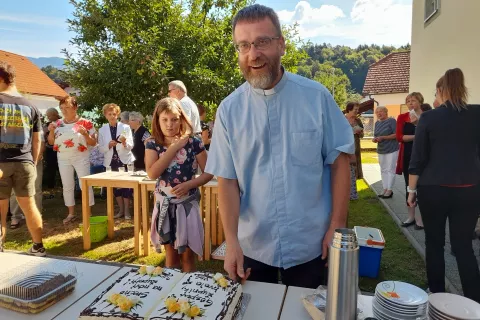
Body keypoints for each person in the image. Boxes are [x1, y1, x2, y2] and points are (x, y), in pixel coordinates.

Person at [205, 4, 354, 288]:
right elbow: (227, 181)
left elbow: (340, 162)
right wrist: (232, 242)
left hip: (310, 242)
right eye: (244, 45)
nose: (253, 54)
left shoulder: (316, 97)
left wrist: (337, 224)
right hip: (253, 244)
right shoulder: (229, 110)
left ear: (282, 45)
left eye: (262, 42)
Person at [408, 68, 480, 303]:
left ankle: (437, 294)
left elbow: (418, 159)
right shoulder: (477, 114)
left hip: (433, 189)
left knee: (434, 243)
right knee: (463, 246)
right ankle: (474, 300)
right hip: (469, 189)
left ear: (440, 91)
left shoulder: (429, 117)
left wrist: (410, 191)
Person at [145, 97, 213, 272]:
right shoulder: (152, 143)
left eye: (174, 119)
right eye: (165, 120)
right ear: (157, 121)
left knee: (187, 255)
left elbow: (209, 172)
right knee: (170, 254)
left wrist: (190, 184)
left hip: (187, 206)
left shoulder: (193, 143)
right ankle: (171, 294)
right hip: (165, 207)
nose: (170, 124)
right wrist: (173, 148)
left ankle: (187, 291)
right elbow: (152, 173)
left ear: (182, 119)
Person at [0, 61, 45, 256]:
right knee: (30, 206)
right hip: (25, 162)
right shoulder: (31, 106)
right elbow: (37, 140)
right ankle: (38, 246)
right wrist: (32, 164)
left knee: (1, 209)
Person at [48, 96, 96, 224]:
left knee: (84, 185)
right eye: (62, 108)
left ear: (75, 107)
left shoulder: (85, 122)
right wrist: (51, 132)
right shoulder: (57, 123)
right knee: (67, 185)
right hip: (63, 157)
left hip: (81, 156)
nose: (64, 111)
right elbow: (51, 142)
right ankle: (71, 213)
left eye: (67, 107)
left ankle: (88, 213)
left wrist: (85, 134)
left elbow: (93, 142)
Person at [98, 103, 135, 219]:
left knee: (127, 186)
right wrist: (108, 145)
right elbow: (100, 149)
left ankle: (127, 211)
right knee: (115, 187)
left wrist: (124, 142)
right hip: (110, 161)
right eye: (109, 114)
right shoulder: (102, 130)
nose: (112, 116)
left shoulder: (125, 127)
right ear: (105, 115)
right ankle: (121, 210)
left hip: (125, 160)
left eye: (114, 114)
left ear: (117, 114)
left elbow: (131, 145)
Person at [396, 92, 424, 230]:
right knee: (409, 185)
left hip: (425, 155)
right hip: (408, 155)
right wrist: (417, 136)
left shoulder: (427, 116)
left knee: (423, 187)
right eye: (408, 101)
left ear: (420, 101)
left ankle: (421, 218)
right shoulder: (402, 117)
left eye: (413, 100)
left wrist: (415, 133)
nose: (410, 103)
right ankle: (411, 216)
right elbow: (400, 137)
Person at [10, 133, 45, 229]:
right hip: (14, 161)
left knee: (36, 189)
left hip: (34, 161)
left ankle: (36, 215)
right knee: (14, 191)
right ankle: (15, 217)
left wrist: (36, 160)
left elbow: (41, 142)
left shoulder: (33, 122)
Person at [372, 106, 398, 199]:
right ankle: (385, 188)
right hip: (381, 149)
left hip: (391, 148)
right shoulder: (377, 123)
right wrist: (375, 139)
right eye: (377, 112)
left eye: (381, 111)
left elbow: (396, 134)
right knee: (383, 170)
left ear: (386, 112)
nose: (379, 113)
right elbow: (376, 135)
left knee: (390, 169)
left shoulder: (391, 121)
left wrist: (383, 137)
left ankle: (389, 190)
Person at [345, 102, 364, 200]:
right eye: (355, 109)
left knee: (354, 168)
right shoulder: (342, 119)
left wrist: (359, 132)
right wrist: (352, 130)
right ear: (349, 109)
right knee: (345, 169)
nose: (357, 111)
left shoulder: (358, 120)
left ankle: (353, 194)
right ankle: (344, 192)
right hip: (345, 147)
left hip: (355, 147)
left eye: (357, 109)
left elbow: (362, 135)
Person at [43, 107, 61, 189]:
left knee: (60, 168)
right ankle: (51, 186)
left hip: (61, 149)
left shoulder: (63, 122)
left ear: (55, 114)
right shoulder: (47, 125)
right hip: (50, 150)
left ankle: (62, 185)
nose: (48, 118)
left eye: (49, 116)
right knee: (50, 167)